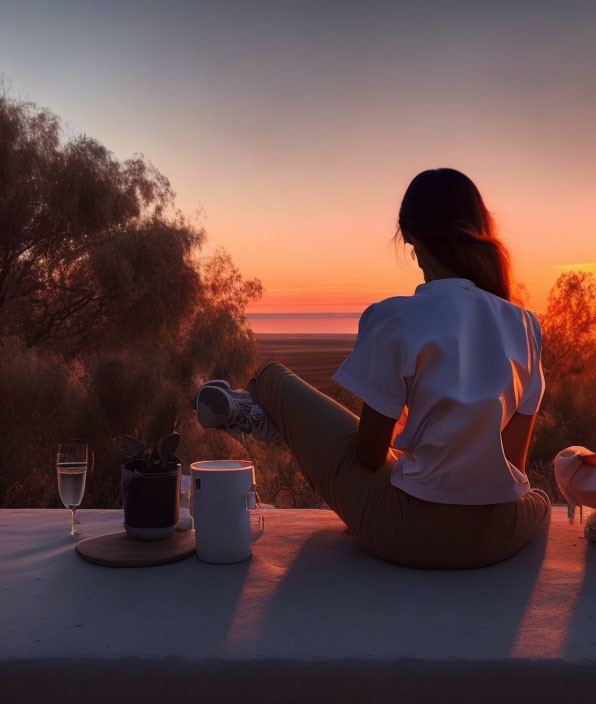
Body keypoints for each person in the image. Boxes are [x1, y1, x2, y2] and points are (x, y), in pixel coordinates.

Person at [194, 168, 550, 569]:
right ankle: (272, 421)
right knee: (536, 497)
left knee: (274, 379)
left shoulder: (395, 317)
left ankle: (265, 414)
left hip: (415, 535)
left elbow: (368, 455)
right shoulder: (525, 325)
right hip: (504, 534)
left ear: (409, 236)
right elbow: (514, 465)